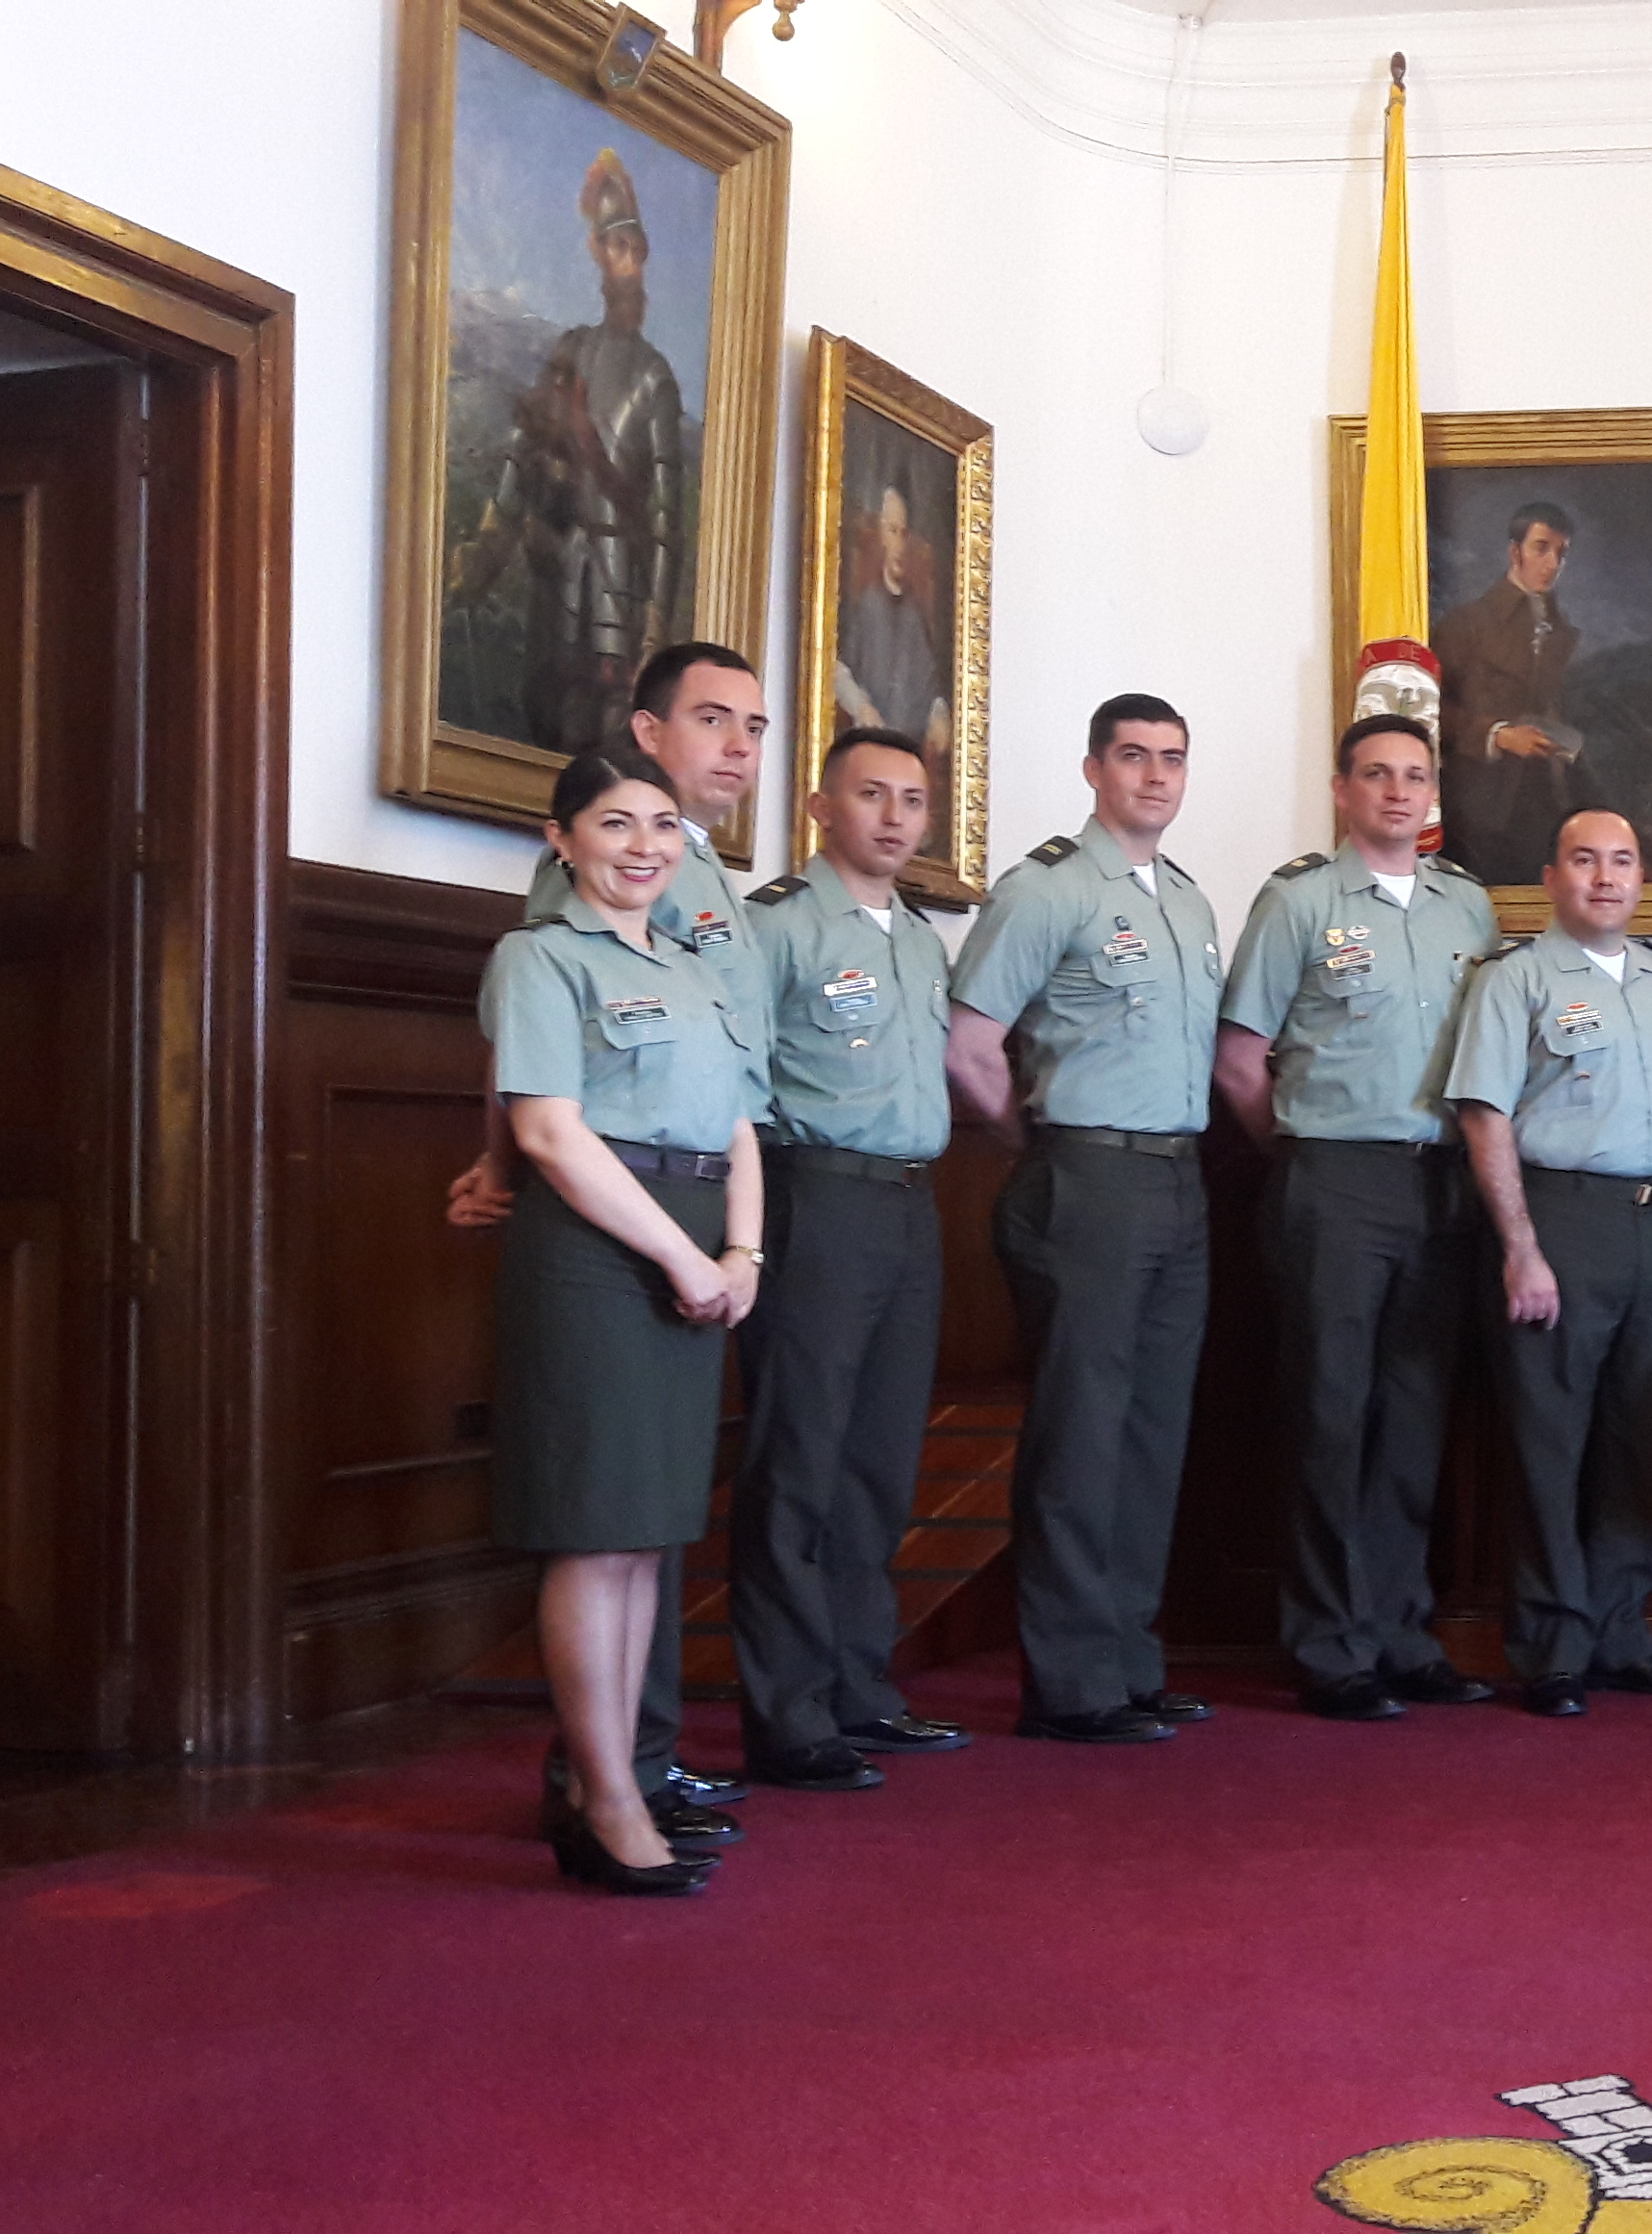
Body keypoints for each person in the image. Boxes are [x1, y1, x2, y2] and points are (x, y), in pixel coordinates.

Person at [449, 640, 770, 1852]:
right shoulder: (543, 953)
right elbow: (546, 1121)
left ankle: (626, 1771)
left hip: (693, 1235)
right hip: (602, 1242)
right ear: (563, 840)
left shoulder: (691, 958)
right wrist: (687, 1262)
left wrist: (738, 1254)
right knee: (596, 1524)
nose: (643, 844)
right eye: (616, 825)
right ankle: (607, 1791)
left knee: (647, 1528)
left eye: (659, 829)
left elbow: (737, 1115)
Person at [943, 695, 1228, 1745]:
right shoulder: (1048, 888)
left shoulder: (1190, 904)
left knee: (1151, 1434)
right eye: (1135, 757)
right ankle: (1068, 1681)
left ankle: (1126, 1658)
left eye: (1173, 760)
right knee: (1082, 1434)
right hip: (1089, 1177)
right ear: (1093, 769)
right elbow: (970, 1045)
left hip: (1179, 1179)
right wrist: (1041, 1146)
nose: (1156, 777)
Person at [1218, 713, 1505, 1723]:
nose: (1397, 792)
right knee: (1332, 1418)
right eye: (1376, 775)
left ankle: (1401, 1631)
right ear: (1342, 790)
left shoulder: (1469, 909)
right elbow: (1242, 1063)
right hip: (1334, 1179)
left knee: (1415, 1421)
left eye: (1415, 776)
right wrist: (1305, 1150)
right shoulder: (1298, 901)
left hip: (1443, 1186)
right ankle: (1331, 1645)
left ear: (1434, 796)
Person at [1443, 809, 1652, 1717]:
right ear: (1551, 875)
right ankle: (1554, 1646)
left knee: (1637, 1445)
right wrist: (1521, 1248)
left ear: (1642, 878)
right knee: (1548, 1443)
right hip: (1560, 1220)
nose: (1605, 877)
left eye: (1622, 861)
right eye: (1584, 860)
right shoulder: (1514, 980)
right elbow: (1484, 1116)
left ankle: (1620, 1635)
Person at [727, 728, 966, 1794]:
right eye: (870, 795)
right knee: (801, 1458)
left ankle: (858, 1686)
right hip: (813, 1198)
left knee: (879, 1461)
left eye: (911, 800)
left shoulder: (921, 937)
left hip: (911, 1205)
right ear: (823, 808)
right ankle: (786, 1713)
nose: (894, 817)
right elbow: (734, 1077)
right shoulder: (777, 924)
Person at [448, 148, 686, 758]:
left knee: (608, 733)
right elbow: (523, 453)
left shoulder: (655, 377)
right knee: (546, 707)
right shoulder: (571, 349)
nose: (625, 258)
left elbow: (663, 516)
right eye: (614, 245)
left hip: (617, 580)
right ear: (599, 254)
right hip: (555, 568)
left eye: (633, 245)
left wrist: (656, 624)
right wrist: (487, 540)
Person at [1431, 501, 1588, 887]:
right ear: (1514, 551)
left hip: (1546, 798)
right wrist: (1498, 734)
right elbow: (1428, 710)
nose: (1552, 563)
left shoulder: (1562, 633)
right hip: (1479, 807)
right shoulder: (1465, 624)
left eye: (1561, 553)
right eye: (1541, 548)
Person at [830, 480, 950, 744]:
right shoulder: (866, 605)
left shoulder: (913, 615)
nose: (900, 544)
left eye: (904, 533)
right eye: (893, 531)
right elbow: (835, 668)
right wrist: (861, 707)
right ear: (881, 536)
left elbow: (928, 687)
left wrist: (939, 713)